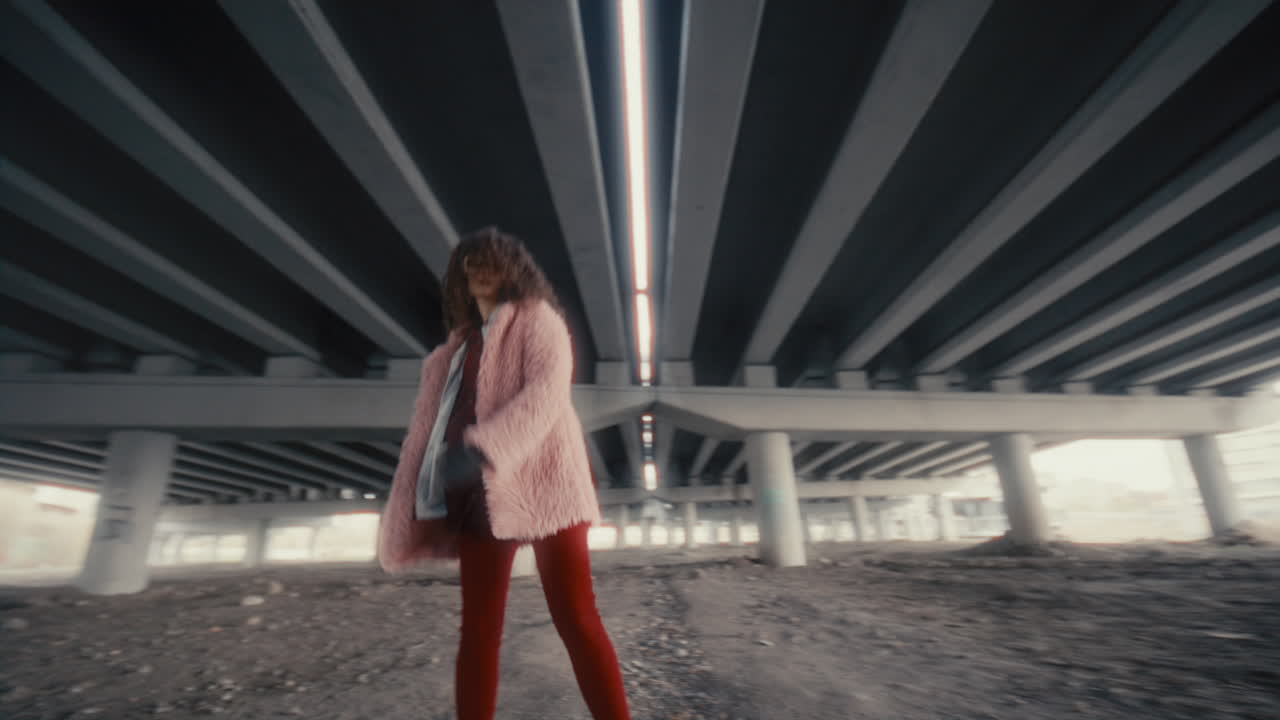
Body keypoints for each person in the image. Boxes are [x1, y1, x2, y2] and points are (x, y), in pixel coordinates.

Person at [377, 227, 631, 720]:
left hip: (549, 488)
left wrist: (483, 449)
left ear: (514, 268)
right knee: (477, 631)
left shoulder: (539, 321)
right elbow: (428, 429)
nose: (479, 269)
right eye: (469, 262)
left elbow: (546, 396)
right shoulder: (452, 351)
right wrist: (420, 486)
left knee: (576, 618)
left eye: (491, 260)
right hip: (479, 498)